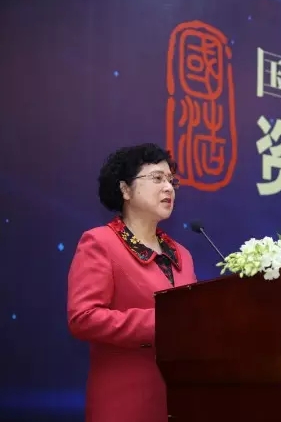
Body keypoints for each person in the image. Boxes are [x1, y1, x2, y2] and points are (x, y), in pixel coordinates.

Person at [67, 143, 197, 422]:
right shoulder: (100, 243)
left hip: (179, 401)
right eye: (157, 178)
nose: (169, 188)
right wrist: (163, 322)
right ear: (125, 190)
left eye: (171, 180)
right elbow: (83, 317)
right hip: (125, 401)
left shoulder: (182, 254)